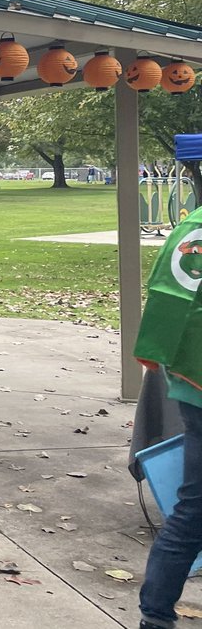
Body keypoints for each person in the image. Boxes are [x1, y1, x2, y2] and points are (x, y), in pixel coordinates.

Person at [135, 207, 202, 629]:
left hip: (191, 383)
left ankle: (155, 616)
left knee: (193, 506)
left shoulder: (192, 224)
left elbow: (169, 296)